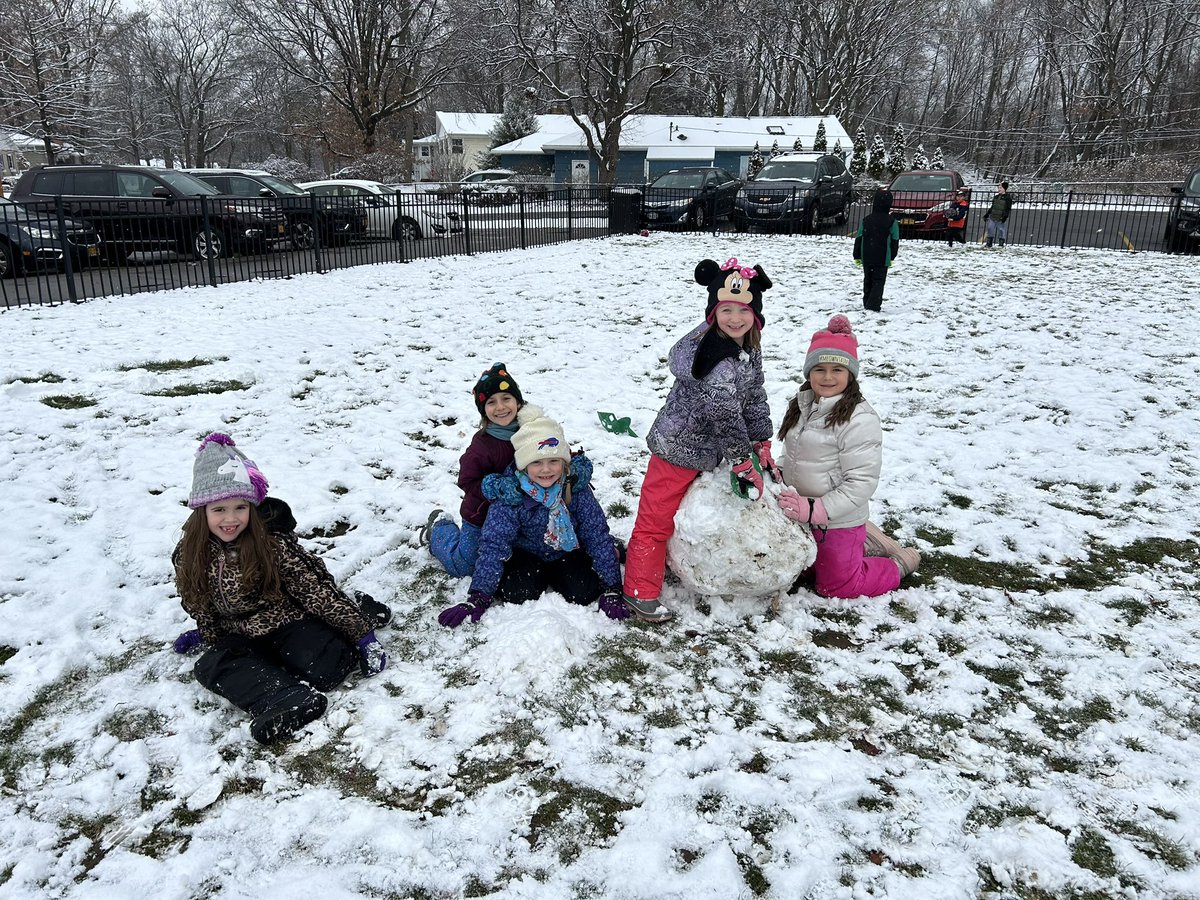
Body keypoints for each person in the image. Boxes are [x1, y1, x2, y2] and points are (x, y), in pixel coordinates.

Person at [172, 433, 388, 745]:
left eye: (240, 508)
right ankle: (288, 700)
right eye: (219, 510)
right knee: (210, 666)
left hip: (289, 619)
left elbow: (314, 592)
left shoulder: (270, 544)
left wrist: (362, 635)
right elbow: (198, 600)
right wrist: (207, 633)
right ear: (201, 510)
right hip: (242, 632)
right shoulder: (189, 553)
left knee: (329, 669)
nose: (231, 519)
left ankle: (358, 607)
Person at [621, 257, 777, 623]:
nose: (735, 318)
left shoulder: (748, 349)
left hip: (709, 450)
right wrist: (741, 460)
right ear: (712, 312)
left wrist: (761, 440)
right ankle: (639, 589)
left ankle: (672, 560)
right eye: (726, 310)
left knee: (688, 514)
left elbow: (754, 395)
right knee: (656, 519)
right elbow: (723, 414)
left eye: (743, 309)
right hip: (677, 448)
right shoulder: (716, 357)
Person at [437, 406, 630, 627]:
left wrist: (612, 588)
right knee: (518, 593)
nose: (546, 469)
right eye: (536, 462)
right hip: (525, 553)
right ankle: (440, 527)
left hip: (566, 550)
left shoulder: (574, 488)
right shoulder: (512, 494)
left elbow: (596, 534)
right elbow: (494, 545)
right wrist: (478, 597)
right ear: (523, 465)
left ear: (564, 462)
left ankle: (604, 557)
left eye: (554, 461)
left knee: (583, 591)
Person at [775, 316, 920, 598]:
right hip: (801, 514)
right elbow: (791, 454)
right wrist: (778, 472)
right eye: (819, 369)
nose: (827, 378)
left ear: (850, 374)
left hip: (837, 519)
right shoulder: (803, 405)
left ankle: (899, 562)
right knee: (797, 571)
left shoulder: (858, 419)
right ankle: (868, 540)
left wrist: (815, 509)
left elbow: (861, 483)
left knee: (836, 587)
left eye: (836, 370)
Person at [420, 362, 525, 576]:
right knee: (467, 565)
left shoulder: (532, 430)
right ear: (483, 410)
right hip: (481, 515)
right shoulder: (482, 446)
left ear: (518, 401)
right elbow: (467, 481)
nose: (501, 407)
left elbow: (554, 449)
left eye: (506, 399)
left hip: (522, 515)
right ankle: (439, 529)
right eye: (492, 402)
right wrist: (493, 487)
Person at [853, 189, 900, 312]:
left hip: (867, 254)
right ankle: (873, 304)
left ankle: (867, 301)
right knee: (878, 281)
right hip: (882, 256)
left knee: (868, 278)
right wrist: (892, 256)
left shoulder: (867, 219)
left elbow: (859, 237)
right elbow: (895, 240)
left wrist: (856, 254)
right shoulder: (892, 222)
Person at [984, 181, 1014, 248]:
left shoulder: (1007, 198)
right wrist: (987, 214)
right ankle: (989, 243)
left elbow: (1008, 208)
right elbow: (992, 207)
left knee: (1001, 230)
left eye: (1000, 187)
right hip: (993, 216)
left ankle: (1001, 243)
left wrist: (1005, 216)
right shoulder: (996, 197)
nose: (999, 189)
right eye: (998, 187)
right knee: (990, 228)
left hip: (1000, 217)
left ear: (1004, 188)